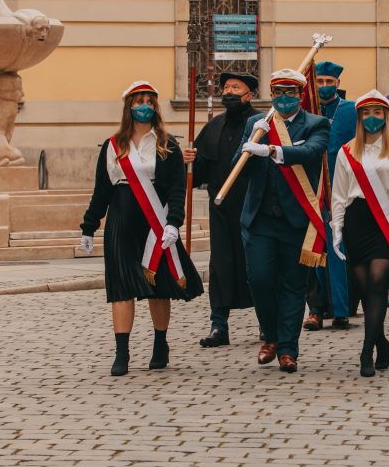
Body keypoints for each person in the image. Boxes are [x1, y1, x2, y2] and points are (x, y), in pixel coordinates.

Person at [80, 81, 204, 377]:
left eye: (149, 100)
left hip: (156, 220)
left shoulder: (167, 143)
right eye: (139, 101)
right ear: (129, 107)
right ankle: (121, 352)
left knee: (158, 286)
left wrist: (174, 222)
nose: (144, 105)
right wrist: (89, 224)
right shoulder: (113, 146)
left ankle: (160, 344)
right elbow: (102, 190)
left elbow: (176, 189)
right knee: (121, 286)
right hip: (122, 218)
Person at [239, 69, 329, 373]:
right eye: (278, 92)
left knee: (293, 286)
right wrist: (249, 148)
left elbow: (311, 151)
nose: (284, 98)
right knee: (260, 280)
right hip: (260, 219)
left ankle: (288, 349)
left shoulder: (316, 124)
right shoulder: (256, 123)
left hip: (295, 220)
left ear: (301, 95)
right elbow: (239, 165)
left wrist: (273, 149)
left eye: (290, 92)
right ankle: (271, 336)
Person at [330, 91, 389, 377]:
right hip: (358, 220)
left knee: (378, 283)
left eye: (377, 113)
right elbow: (339, 194)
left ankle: (366, 350)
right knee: (364, 288)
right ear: (360, 118)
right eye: (366, 113)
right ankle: (382, 340)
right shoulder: (347, 151)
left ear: (385, 117)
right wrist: (337, 229)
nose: (372, 118)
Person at [183, 73, 258, 348]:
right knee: (221, 266)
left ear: (249, 94)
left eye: (235, 88)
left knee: (257, 266)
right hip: (222, 209)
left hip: (253, 207)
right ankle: (219, 325)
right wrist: (190, 161)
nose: (229, 92)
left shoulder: (261, 124)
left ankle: (266, 322)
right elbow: (200, 171)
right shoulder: (214, 127)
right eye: (226, 87)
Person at [304, 61, 356, 331]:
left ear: (337, 83)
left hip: (341, 189)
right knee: (313, 250)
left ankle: (341, 309)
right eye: (320, 81)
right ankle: (315, 309)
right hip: (310, 189)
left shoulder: (350, 110)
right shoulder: (305, 110)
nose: (324, 86)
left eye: (328, 82)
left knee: (339, 250)